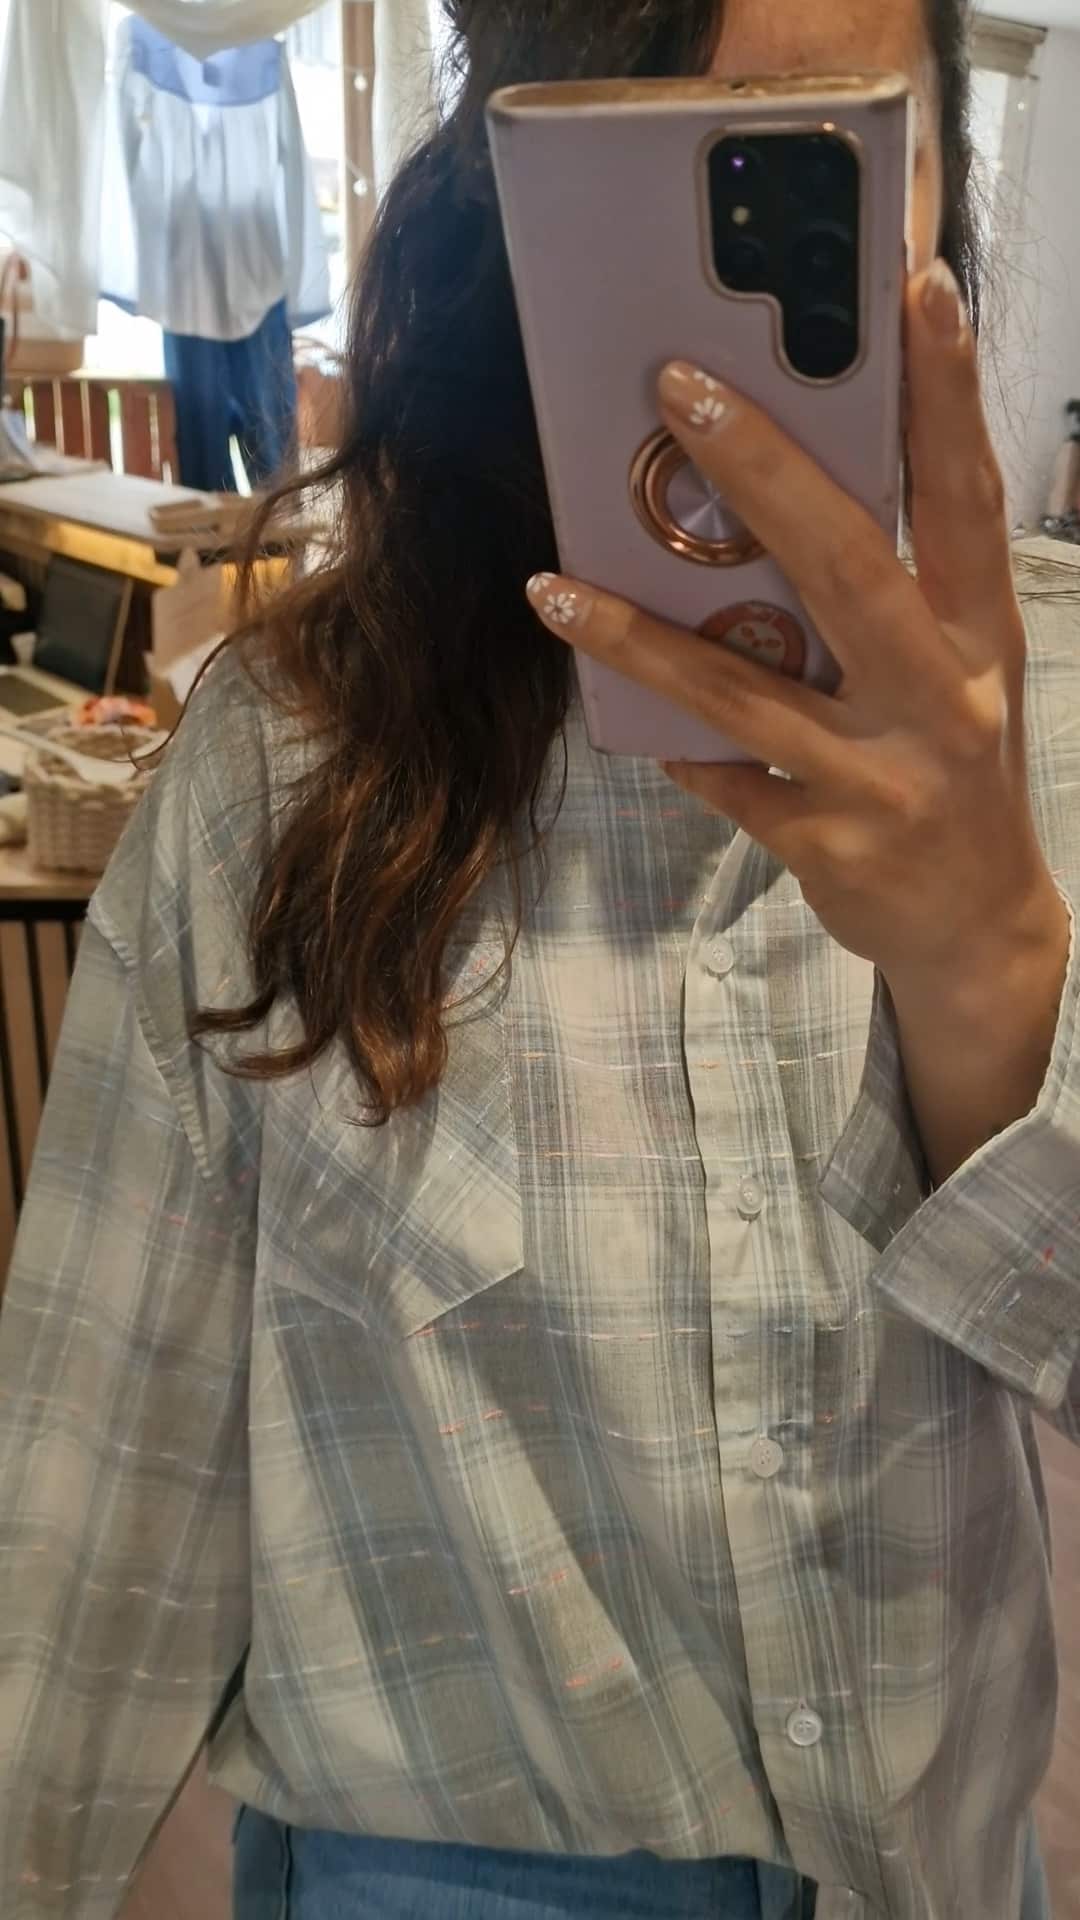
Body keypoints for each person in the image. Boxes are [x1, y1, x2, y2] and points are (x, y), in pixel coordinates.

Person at [0, 3, 1074, 1917]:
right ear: (514, 200)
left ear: (939, 207)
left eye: (831, 163)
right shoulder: (290, 762)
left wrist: (994, 982)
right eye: (661, 172)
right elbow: (100, 1463)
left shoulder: (1053, 727)